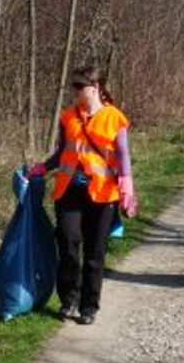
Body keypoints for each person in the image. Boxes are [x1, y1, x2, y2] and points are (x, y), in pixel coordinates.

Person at [26, 65, 135, 324]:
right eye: (72, 86)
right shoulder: (67, 117)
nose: (74, 91)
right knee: (68, 243)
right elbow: (62, 152)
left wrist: (127, 188)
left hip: (102, 194)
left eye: (79, 86)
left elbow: (122, 155)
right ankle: (68, 300)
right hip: (69, 191)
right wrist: (43, 167)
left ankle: (89, 307)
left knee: (95, 255)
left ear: (95, 88)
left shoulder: (114, 118)